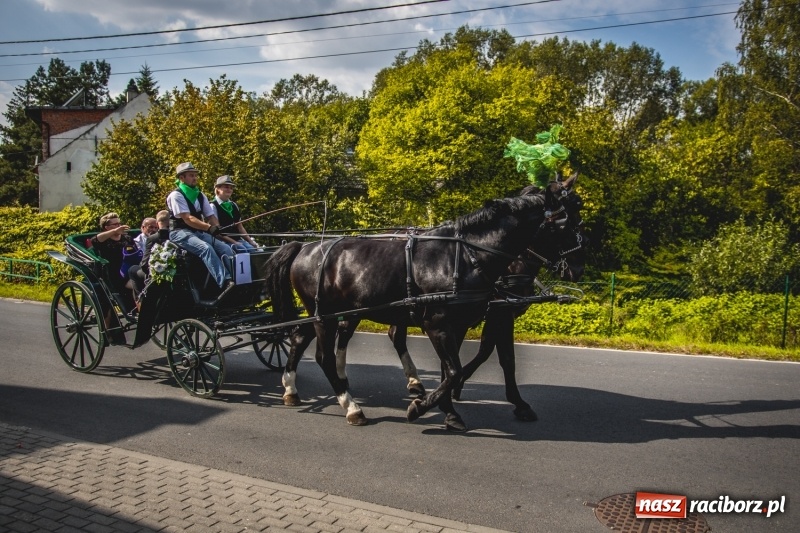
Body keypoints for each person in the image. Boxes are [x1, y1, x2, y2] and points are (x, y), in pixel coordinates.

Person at [166, 162, 235, 301]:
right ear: (182, 178)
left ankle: (237, 279)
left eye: (195, 175)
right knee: (206, 249)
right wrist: (209, 228)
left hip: (197, 232)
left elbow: (210, 216)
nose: (195, 178)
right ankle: (225, 282)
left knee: (226, 248)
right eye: (191, 175)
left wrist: (217, 228)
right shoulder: (176, 195)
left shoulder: (200, 195)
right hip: (180, 232)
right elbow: (188, 218)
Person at [128, 210, 170, 299]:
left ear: (158, 224)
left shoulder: (153, 238)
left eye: (155, 227)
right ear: (142, 228)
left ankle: (141, 300)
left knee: (132, 270)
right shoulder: (136, 241)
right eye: (150, 227)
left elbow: (144, 264)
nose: (153, 230)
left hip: (156, 270)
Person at [210, 175, 258, 252]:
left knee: (253, 250)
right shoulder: (213, 206)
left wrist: (250, 241)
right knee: (242, 250)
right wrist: (234, 243)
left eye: (231, 188)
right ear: (218, 188)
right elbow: (218, 233)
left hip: (238, 240)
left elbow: (240, 227)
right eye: (226, 187)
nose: (229, 190)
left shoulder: (234, 205)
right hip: (222, 242)